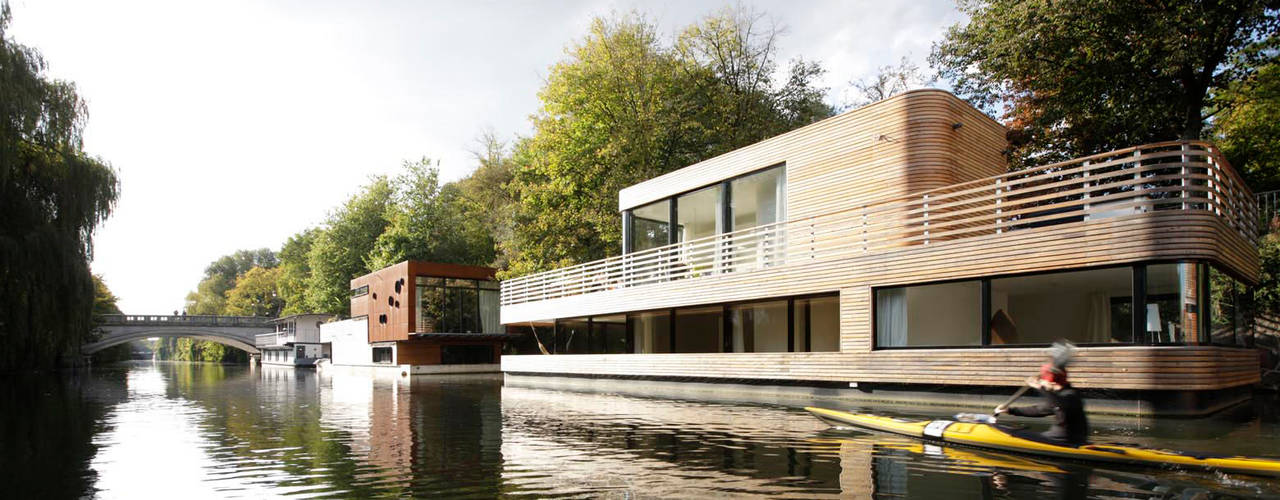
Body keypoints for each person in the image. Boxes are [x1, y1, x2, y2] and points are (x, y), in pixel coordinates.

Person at [994, 342, 1089, 445]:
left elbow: (1060, 405)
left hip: (1063, 441)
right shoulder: (1060, 395)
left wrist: (1041, 388)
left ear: (1051, 381)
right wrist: (1010, 410)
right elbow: (1039, 410)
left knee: (1011, 432)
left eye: (1044, 380)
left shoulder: (1071, 395)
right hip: (1056, 438)